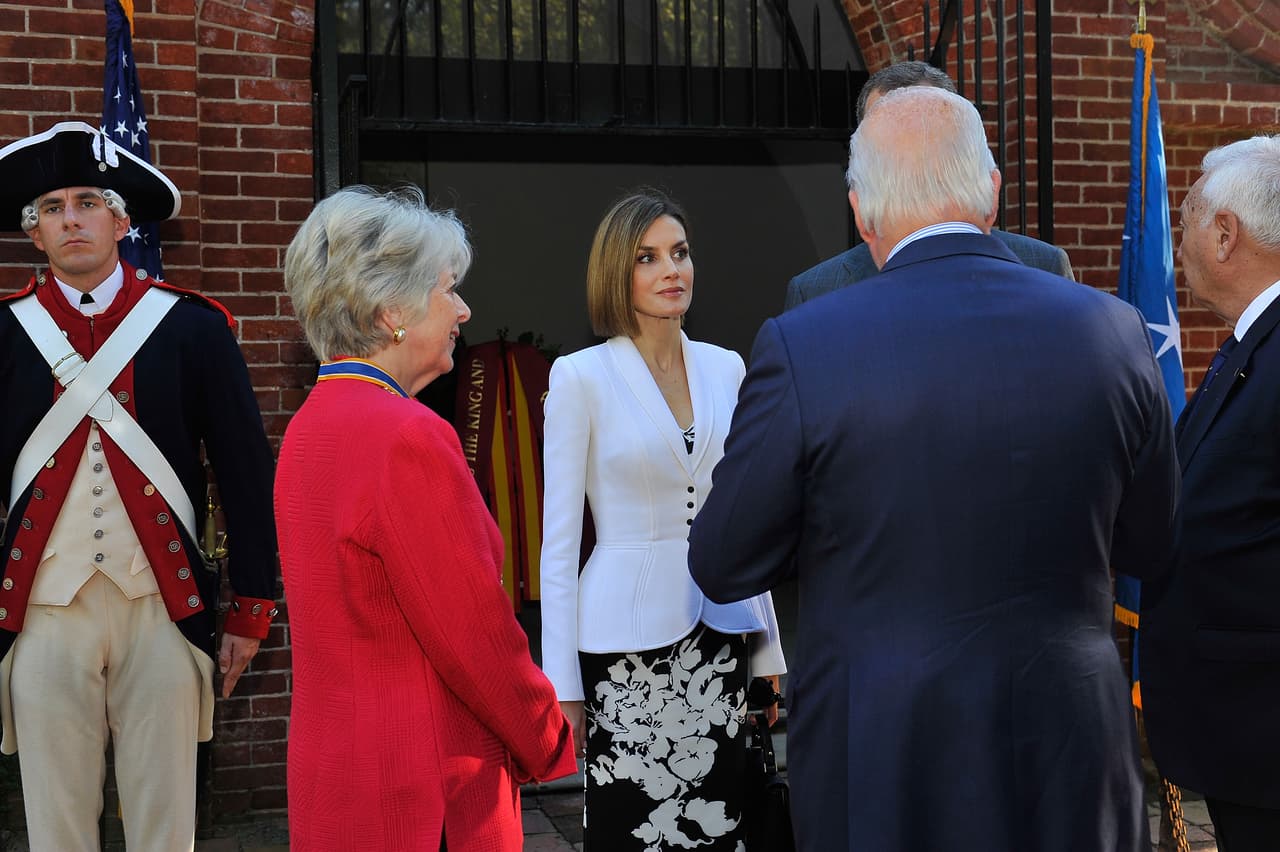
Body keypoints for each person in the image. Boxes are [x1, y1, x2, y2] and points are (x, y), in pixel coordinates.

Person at [688, 87, 1178, 852]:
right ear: (992, 192)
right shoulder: (1112, 331)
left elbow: (723, 561)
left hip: (884, 751)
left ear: (862, 212)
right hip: (1070, 747)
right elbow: (1152, 547)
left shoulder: (805, 344)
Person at [0, 121, 277, 851]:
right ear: (35, 234)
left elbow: (246, 474)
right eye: (52, 208)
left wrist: (250, 607)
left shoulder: (193, 328)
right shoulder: (4, 334)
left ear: (121, 221)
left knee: (166, 826)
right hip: (42, 613)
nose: (70, 218)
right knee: (55, 827)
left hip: (163, 606)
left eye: (87, 201)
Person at [276, 186, 577, 851]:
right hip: (421, 792)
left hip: (336, 781)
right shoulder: (406, 435)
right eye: (448, 290)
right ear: (393, 313)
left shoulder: (307, 428)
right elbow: (473, 632)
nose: (464, 309)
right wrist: (548, 732)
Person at [540, 190, 786, 849]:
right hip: (622, 649)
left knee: (723, 820)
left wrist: (768, 647)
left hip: (720, 635)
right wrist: (561, 683)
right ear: (617, 274)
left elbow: (741, 519)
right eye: (648, 258)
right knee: (634, 828)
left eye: (679, 253)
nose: (671, 269)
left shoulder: (726, 367)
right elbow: (558, 545)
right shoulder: (579, 377)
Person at [1140, 136, 1280, 850]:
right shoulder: (1253, 343)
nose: (1179, 236)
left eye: (1189, 213)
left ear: (1226, 234)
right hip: (1242, 734)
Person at [783, 60, 1073, 311]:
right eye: (891, 133)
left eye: (931, 128)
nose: (915, 152)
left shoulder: (1042, 264)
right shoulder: (816, 289)